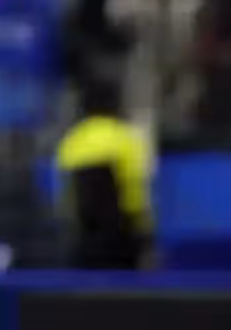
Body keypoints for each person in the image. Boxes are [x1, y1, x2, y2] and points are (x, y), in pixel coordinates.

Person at [54, 78, 155, 270]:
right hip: (122, 237)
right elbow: (136, 189)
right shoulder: (125, 138)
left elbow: (64, 194)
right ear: (114, 104)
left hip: (83, 236)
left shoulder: (71, 140)